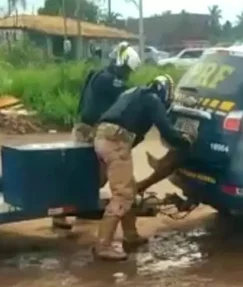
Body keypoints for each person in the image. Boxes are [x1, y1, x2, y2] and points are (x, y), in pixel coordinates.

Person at [92, 74, 193, 261]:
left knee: (129, 188)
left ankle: (131, 236)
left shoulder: (133, 92)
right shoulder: (153, 99)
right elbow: (167, 131)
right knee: (122, 195)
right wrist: (184, 141)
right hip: (117, 140)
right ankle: (103, 245)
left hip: (102, 135)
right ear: (165, 93)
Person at [52, 43, 141, 230]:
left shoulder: (97, 74)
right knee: (91, 175)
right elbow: (126, 95)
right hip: (91, 130)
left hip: (84, 127)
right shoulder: (110, 81)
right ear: (119, 62)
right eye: (127, 69)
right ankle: (63, 212)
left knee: (85, 173)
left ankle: (73, 209)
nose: (127, 74)